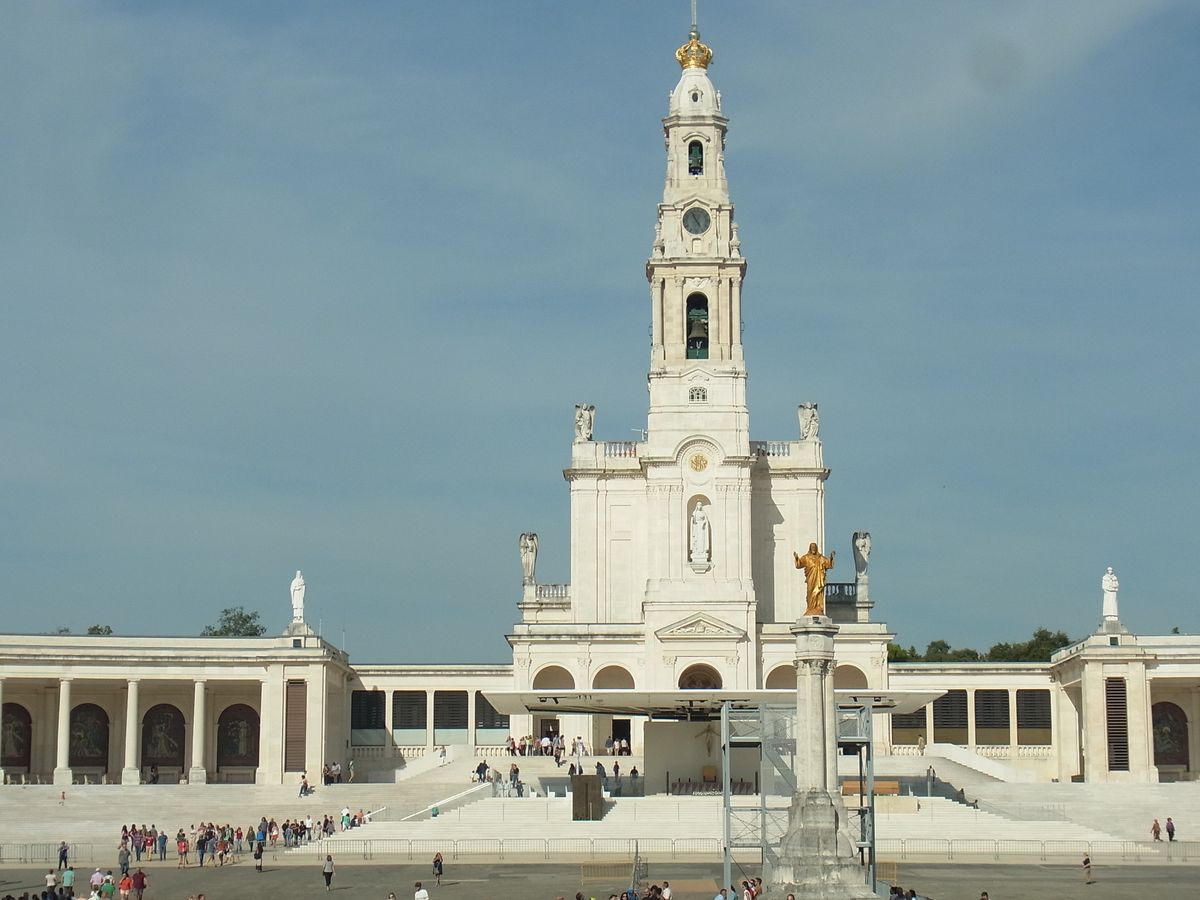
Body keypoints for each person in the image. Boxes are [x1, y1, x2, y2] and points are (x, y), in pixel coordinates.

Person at [794, 541, 835, 616]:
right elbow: (799, 564)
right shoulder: (806, 557)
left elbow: (828, 564)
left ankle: (818, 608)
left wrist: (831, 558)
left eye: (814, 547)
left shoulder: (820, 558)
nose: (813, 548)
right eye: (812, 547)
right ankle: (810, 608)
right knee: (809, 592)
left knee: (818, 593)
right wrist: (796, 558)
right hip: (810, 578)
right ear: (810, 548)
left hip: (818, 579)